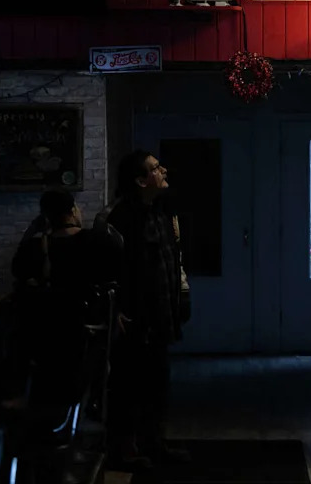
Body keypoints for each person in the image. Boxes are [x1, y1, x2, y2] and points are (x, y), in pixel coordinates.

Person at [106, 150, 191, 468]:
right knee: (128, 385)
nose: (164, 170)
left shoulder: (160, 210)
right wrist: (117, 311)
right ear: (141, 180)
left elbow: (171, 260)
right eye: (156, 168)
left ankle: (153, 442)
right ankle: (124, 449)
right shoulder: (122, 217)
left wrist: (180, 298)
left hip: (159, 315)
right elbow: (111, 268)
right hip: (135, 318)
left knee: (157, 382)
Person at [10, 189, 122, 424]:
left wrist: (36, 229)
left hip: (44, 337)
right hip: (88, 331)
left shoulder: (35, 246)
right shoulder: (96, 240)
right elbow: (116, 269)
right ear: (73, 210)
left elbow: (18, 271)